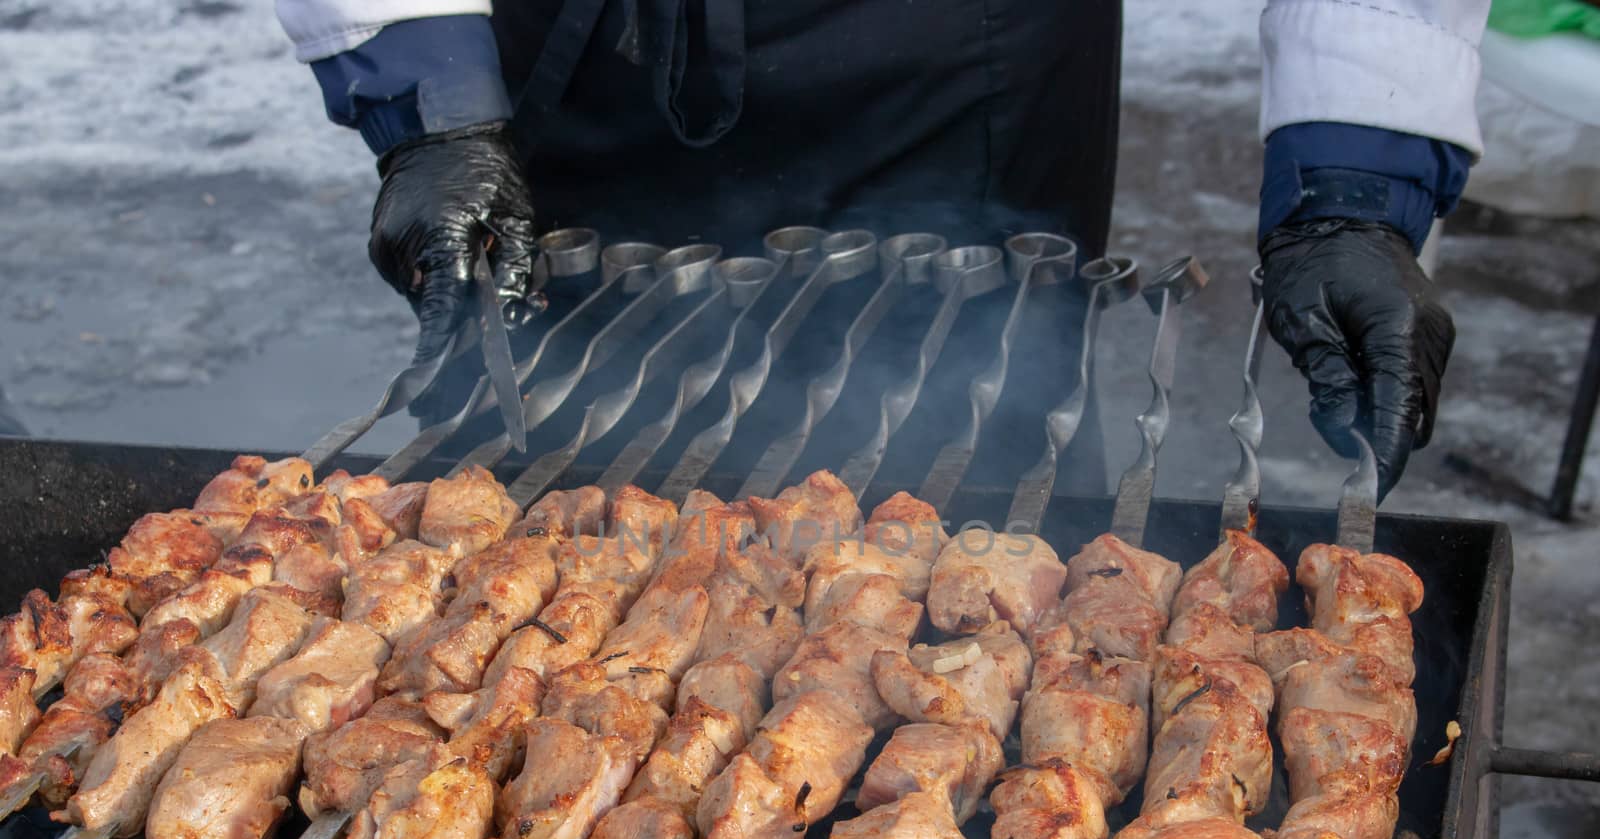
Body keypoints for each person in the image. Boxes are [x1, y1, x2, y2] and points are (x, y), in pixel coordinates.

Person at [276, 0, 1489, 498]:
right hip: (597, 61)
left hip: (971, 67)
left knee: (986, 486)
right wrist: (423, 95)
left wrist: (1356, 181)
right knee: (565, 488)